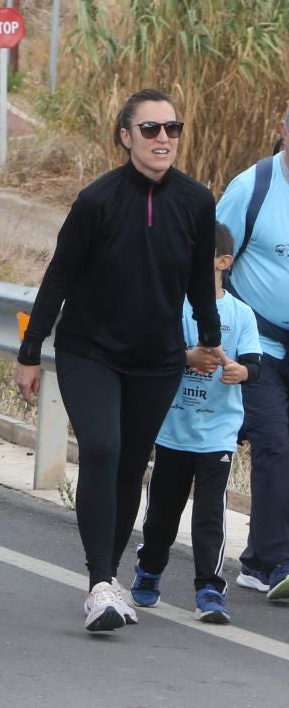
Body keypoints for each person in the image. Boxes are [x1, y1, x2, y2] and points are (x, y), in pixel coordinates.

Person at [19, 88, 224, 632]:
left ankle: (108, 581)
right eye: (151, 129)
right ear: (125, 136)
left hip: (157, 359)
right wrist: (30, 350)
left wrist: (210, 336)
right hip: (90, 351)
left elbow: (201, 280)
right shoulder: (97, 199)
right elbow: (59, 276)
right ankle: (100, 582)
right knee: (104, 450)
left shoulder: (197, 201)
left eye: (172, 129)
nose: (164, 139)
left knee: (131, 466)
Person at [130, 223, 261, 625]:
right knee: (162, 514)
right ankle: (150, 568)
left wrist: (240, 372)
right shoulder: (173, 306)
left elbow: (254, 363)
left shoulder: (241, 314)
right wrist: (187, 357)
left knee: (210, 515)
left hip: (218, 433)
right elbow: (152, 352)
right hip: (172, 428)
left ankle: (209, 587)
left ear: (224, 262)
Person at [219, 102, 289, 599]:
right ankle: (269, 563)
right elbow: (210, 261)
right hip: (257, 342)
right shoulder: (253, 188)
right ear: (282, 128)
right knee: (275, 443)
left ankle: (268, 556)